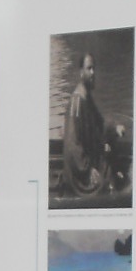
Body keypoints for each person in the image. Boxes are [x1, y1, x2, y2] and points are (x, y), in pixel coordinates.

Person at [60, 53, 107, 198]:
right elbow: (72, 145)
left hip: (89, 163)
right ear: (81, 72)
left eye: (94, 68)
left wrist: (110, 132)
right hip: (79, 177)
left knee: (111, 164)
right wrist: (88, 170)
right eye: (89, 68)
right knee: (106, 185)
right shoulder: (77, 101)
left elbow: (99, 123)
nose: (93, 73)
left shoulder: (87, 98)